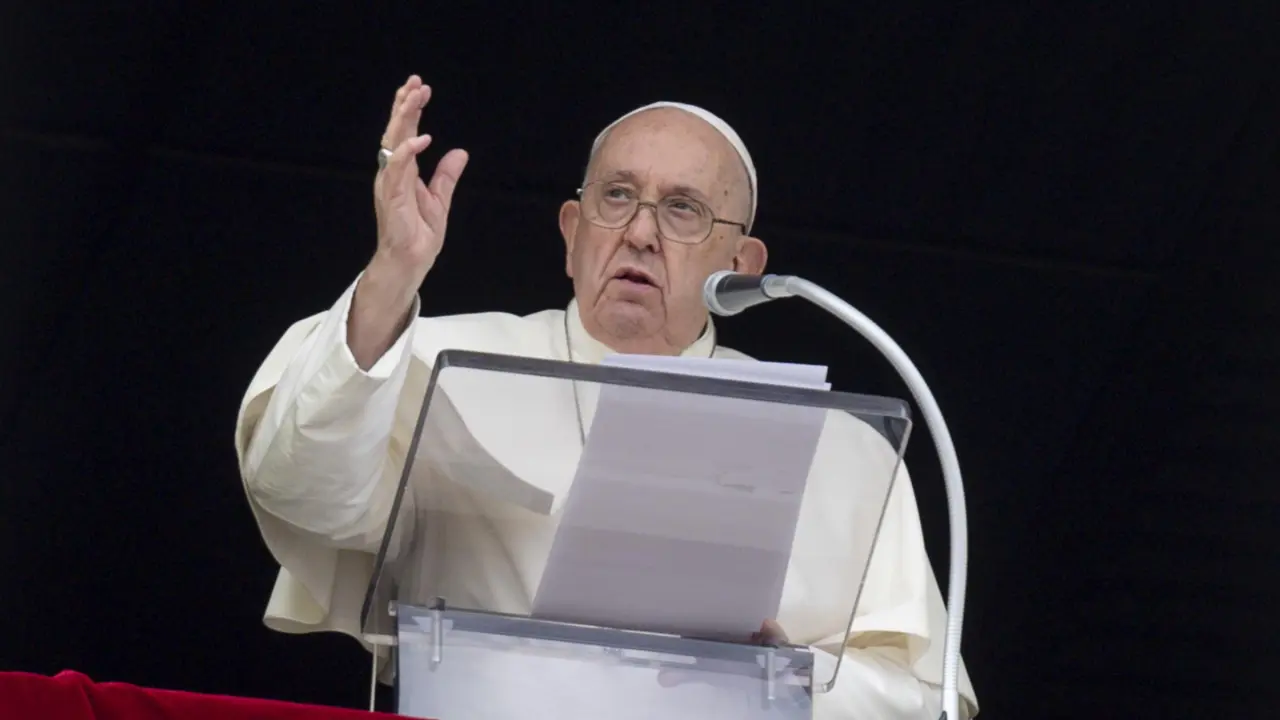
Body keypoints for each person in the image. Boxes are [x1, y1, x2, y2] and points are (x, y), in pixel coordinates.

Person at [234, 74, 979, 719]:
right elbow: (301, 491)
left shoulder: (843, 446)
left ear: (742, 263)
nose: (641, 233)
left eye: (683, 209)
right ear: (572, 232)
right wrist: (394, 272)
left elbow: (919, 698)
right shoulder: (430, 362)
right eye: (617, 196)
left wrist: (784, 682)